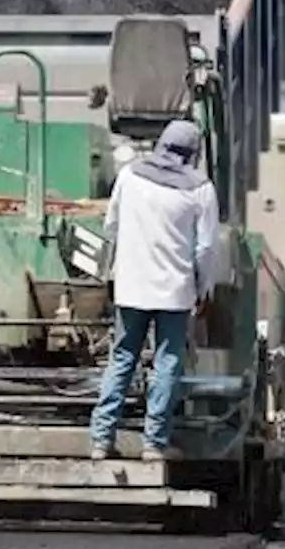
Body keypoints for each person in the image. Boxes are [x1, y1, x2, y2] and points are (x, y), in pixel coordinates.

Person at [89, 119, 220, 462]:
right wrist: (204, 288)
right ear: (193, 152)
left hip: (130, 285)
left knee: (121, 358)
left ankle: (101, 439)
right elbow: (206, 248)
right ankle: (153, 444)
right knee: (167, 363)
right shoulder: (200, 188)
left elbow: (111, 225)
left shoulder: (130, 176)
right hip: (175, 292)